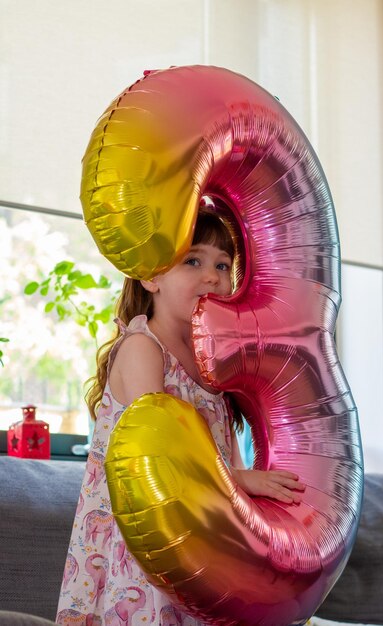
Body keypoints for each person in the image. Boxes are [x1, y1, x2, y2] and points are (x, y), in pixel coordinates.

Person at [56, 206, 305, 626]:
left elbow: (227, 452)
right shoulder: (143, 349)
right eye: (194, 261)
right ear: (151, 277)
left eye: (223, 265)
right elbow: (158, 454)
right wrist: (239, 480)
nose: (212, 276)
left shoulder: (214, 366)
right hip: (145, 548)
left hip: (201, 543)